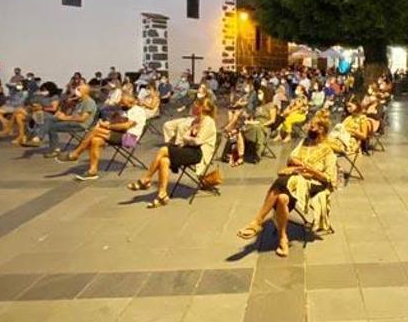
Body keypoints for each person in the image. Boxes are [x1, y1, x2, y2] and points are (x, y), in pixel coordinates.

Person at [236, 112, 337, 257]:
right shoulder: (305, 142)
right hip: (295, 179)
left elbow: (328, 179)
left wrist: (310, 170)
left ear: (321, 130)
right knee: (282, 198)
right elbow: (291, 158)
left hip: (314, 183)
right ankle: (283, 238)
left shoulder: (327, 151)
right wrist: (297, 163)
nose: (308, 127)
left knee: (282, 182)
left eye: (312, 126)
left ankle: (257, 221)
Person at [127, 98, 217, 208]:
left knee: (163, 150)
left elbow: (198, 141)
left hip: (198, 153)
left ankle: (146, 178)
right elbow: (187, 138)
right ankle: (162, 195)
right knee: (164, 161)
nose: (193, 107)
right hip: (189, 149)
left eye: (195, 105)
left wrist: (188, 138)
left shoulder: (208, 121)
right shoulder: (196, 121)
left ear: (201, 108)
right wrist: (188, 138)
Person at [57, 95, 147, 181]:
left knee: (95, 131)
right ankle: (92, 171)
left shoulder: (138, 111)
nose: (121, 104)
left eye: (123, 103)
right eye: (121, 102)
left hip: (129, 138)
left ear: (131, 103)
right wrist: (110, 121)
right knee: (95, 140)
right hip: (117, 134)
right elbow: (114, 121)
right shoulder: (123, 110)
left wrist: (108, 126)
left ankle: (76, 153)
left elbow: (125, 126)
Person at [40, 84, 98, 157]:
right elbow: (74, 113)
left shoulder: (89, 102)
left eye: (79, 89)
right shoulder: (81, 100)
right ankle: (39, 137)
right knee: (50, 119)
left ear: (85, 91)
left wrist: (65, 118)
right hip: (72, 121)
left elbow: (82, 119)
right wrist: (63, 115)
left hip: (80, 125)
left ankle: (55, 150)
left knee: (52, 128)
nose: (76, 91)